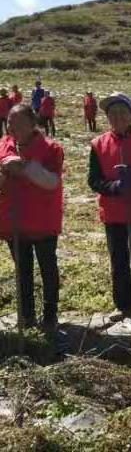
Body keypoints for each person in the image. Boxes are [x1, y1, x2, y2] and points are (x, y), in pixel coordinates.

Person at [88, 93, 131, 325]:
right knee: (119, 261)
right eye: (112, 113)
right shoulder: (98, 144)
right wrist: (114, 186)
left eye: (122, 112)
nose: (117, 117)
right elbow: (93, 180)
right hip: (113, 214)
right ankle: (123, 305)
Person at [0, 104, 63, 330]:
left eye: (18, 122)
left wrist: (25, 167)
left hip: (42, 220)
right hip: (14, 221)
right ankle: (26, 316)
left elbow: (52, 181)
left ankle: (50, 315)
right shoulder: (3, 145)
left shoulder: (51, 148)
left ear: (32, 123)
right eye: (10, 122)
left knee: (48, 268)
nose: (12, 127)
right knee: (22, 271)